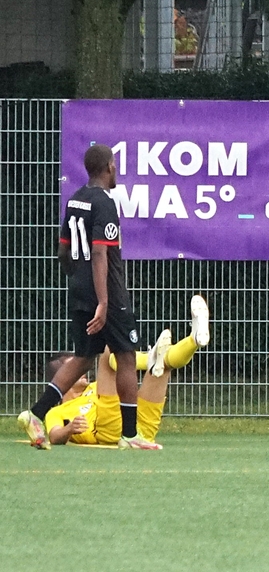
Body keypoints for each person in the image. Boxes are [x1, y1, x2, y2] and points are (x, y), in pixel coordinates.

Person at [17, 143, 159, 450]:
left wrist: (76, 279)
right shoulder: (104, 203)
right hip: (107, 292)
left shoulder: (76, 199)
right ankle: (130, 435)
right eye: (115, 165)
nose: (116, 170)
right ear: (109, 167)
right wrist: (104, 301)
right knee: (126, 355)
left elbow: (63, 250)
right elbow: (98, 253)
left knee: (83, 356)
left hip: (79, 289)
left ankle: (36, 414)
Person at [43, 296, 210, 447]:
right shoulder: (56, 412)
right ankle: (149, 359)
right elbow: (54, 435)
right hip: (108, 431)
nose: (80, 370)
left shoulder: (95, 387)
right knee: (109, 350)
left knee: (162, 365)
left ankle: (194, 340)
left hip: (142, 430)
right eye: (72, 367)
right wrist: (69, 429)